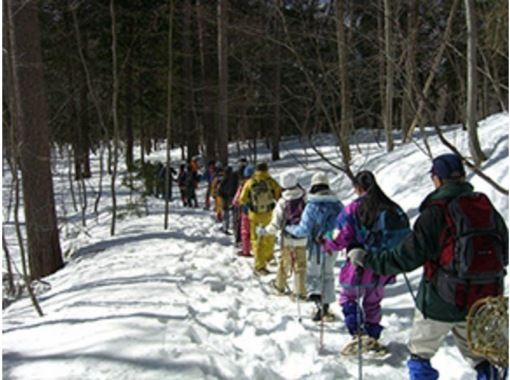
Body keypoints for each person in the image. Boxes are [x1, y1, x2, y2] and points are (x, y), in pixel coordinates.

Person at [346, 154, 508, 380]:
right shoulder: (485, 207)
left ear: (437, 179)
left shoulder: (435, 211)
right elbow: (505, 253)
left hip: (440, 301)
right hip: (482, 299)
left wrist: (366, 259)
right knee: (481, 357)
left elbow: (406, 257)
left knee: (420, 354)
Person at [322, 171, 410, 349]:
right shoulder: (391, 206)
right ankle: (373, 336)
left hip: (360, 263)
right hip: (384, 265)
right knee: (373, 302)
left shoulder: (354, 208)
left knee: (348, 298)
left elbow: (340, 235)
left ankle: (358, 334)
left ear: (358, 188)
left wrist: (327, 242)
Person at [285, 172, 343, 321]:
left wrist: (289, 229)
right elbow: (343, 227)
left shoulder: (312, 206)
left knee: (313, 275)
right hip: (332, 246)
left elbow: (303, 230)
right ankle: (326, 306)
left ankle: (318, 306)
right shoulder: (338, 205)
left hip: (316, 249)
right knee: (328, 274)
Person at [257, 172, 307, 298]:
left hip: (288, 238)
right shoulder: (304, 197)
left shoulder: (282, 202)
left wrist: (264, 231)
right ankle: (300, 292)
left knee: (285, 263)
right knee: (300, 265)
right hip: (302, 237)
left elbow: (275, 224)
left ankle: (280, 286)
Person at [239, 162, 282, 275]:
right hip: (269, 214)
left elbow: (241, 199)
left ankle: (259, 265)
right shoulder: (270, 181)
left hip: (255, 215)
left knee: (256, 240)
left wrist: (249, 205)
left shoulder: (250, 182)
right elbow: (279, 195)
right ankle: (268, 256)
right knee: (269, 237)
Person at [232, 165, 255, 257]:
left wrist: (236, 204)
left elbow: (236, 200)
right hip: (259, 212)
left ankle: (246, 250)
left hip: (246, 211)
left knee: (245, 231)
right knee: (256, 231)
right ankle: (257, 249)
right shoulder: (261, 182)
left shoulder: (243, 184)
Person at [218, 166, 239, 234]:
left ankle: (225, 227)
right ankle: (234, 227)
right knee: (234, 213)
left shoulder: (225, 178)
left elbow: (220, 189)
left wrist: (220, 194)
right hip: (234, 197)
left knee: (225, 213)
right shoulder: (235, 178)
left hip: (225, 197)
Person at [233, 158, 248, 245]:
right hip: (248, 201)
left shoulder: (235, 174)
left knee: (239, 220)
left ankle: (239, 239)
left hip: (239, 198)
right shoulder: (252, 175)